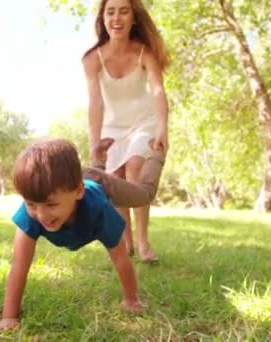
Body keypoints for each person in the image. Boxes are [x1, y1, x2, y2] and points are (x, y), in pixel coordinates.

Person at [0, 138, 165, 331]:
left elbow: (120, 257)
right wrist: (9, 317)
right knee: (54, 194)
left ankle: (157, 154)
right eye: (31, 204)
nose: (41, 215)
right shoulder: (31, 212)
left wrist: (132, 300)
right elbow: (19, 265)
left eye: (51, 205)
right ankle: (98, 156)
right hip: (71, 180)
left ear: (78, 192)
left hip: (100, 182)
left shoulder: (98, 210)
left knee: (143, 196)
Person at [82, 0, 171, 263]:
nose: (117, 18)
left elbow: (157, 90)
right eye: (111, 12)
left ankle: (143, 242)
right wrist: (94, 142)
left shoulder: (145, 52)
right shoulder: (92, 59)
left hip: (144, 123)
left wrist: (163, 128)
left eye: (124, 11)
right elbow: (95, 103)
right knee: (117, 179)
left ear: (134, 18)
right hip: (113, 127)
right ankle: (127, 241)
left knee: (135, 168)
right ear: (103, 19)